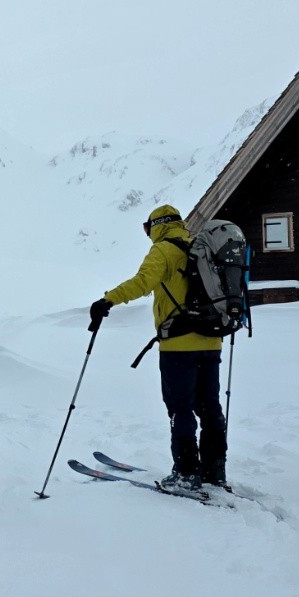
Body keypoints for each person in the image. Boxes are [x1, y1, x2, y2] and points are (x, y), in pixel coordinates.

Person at [90, 204, 227, 493]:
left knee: (181, 409)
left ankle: (186, 474)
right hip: (212, 340)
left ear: (157, 226)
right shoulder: (201, 248)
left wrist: (108, 300)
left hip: (178, 345)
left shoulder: (163, 251)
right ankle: (214, 471)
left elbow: (142, 283)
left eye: (147, 228)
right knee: (210, 407)